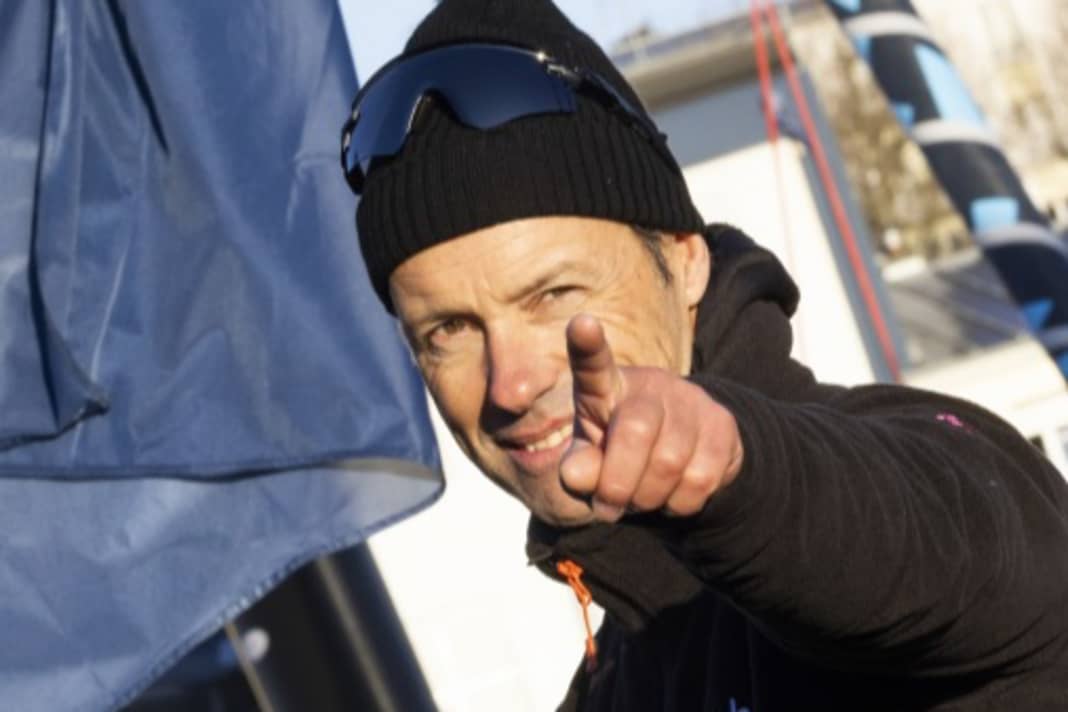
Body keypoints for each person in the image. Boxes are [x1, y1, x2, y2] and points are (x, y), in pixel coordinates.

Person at [340, 0, 1068, 708]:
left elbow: (950, 539)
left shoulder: (929, 483)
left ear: (687, 262)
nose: (512, 383)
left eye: (553, 294)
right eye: (449, 332)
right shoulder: (612, 680)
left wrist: (736, 473)